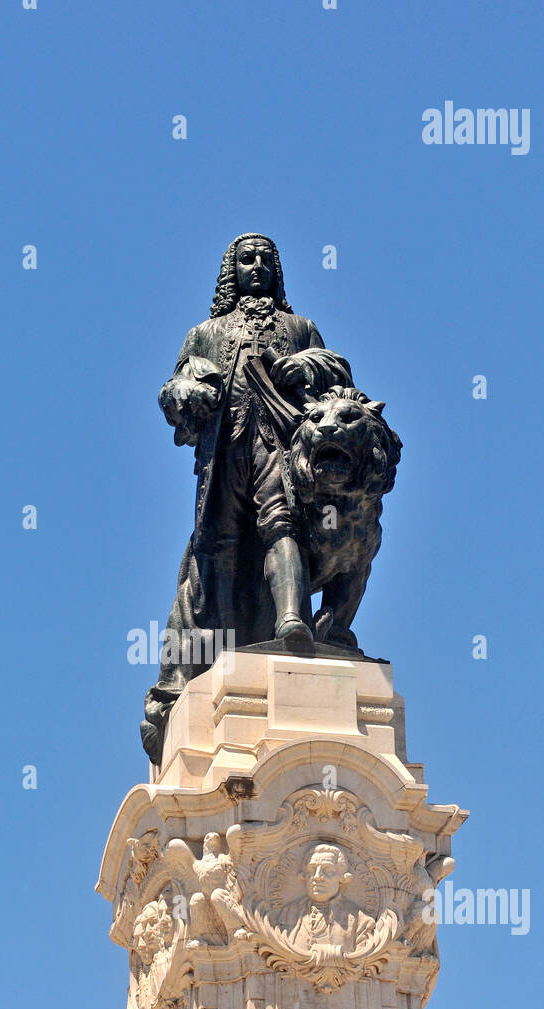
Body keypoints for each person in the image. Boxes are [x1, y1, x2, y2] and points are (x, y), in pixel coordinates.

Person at [142, 233, 353, 763]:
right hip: (222, 454)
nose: (255, 266)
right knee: (220, 555)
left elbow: (337, 380)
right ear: (229, 271)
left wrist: (306, 367)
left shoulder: (297, 328)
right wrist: (186, 390)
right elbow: (173, 393)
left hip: (277, 445)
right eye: (245, 259)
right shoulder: (206, 333)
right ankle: (215, 658)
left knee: (282, 526)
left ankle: (291, 622)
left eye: (265, 259)